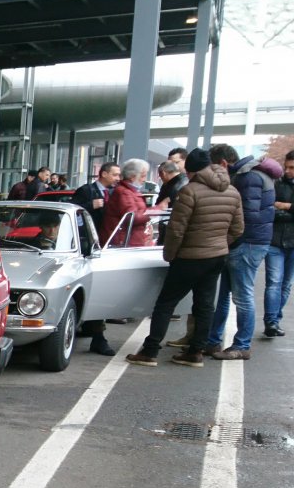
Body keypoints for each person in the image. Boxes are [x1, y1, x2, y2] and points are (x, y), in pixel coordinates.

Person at [125, 147, 242, 368]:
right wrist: (219, 244)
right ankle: (195, 352)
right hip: (216, 257)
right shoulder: (232, 191)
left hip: (189, 257)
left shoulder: (190, 191)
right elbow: (238, 229)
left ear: (192, 171)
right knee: (205, 305)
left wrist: (170, 255)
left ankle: (150, 351)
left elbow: (176, 230)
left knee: (165, 303)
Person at [203, 143, 278, 359]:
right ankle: (213, 340)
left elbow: (247, 215)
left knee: (242, 295)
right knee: (225, 294)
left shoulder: (247, 177)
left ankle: (242, 345)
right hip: (248, 242)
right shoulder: (251, 175)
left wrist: (227, 233)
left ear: (224, 163)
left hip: (246, 243)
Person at [267, 150, 294, 338]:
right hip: (274, 241)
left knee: (285, 285)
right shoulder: (276, 184)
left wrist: (285, 206)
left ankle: (275, 317)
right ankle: (271, 322)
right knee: (274, 283)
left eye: (292, 167)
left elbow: (277, 208)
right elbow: (269, 209)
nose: (287, 170)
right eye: (286, 166)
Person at [99, 159, 150, 246]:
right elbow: (133, 217)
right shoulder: (124, 192)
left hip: (128, 240)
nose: (145, 179)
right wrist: (155, 210)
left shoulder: (130, 191)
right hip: (124, 241)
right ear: (133, 176)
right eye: (143, 176)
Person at [73, 162, 121, 227]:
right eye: (115, 175)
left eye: (119, 176)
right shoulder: (86, 190)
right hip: (90, 233)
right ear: (104, 174)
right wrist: (91, 205)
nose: (118, 179)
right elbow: (72, 208)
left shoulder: (114, 192)